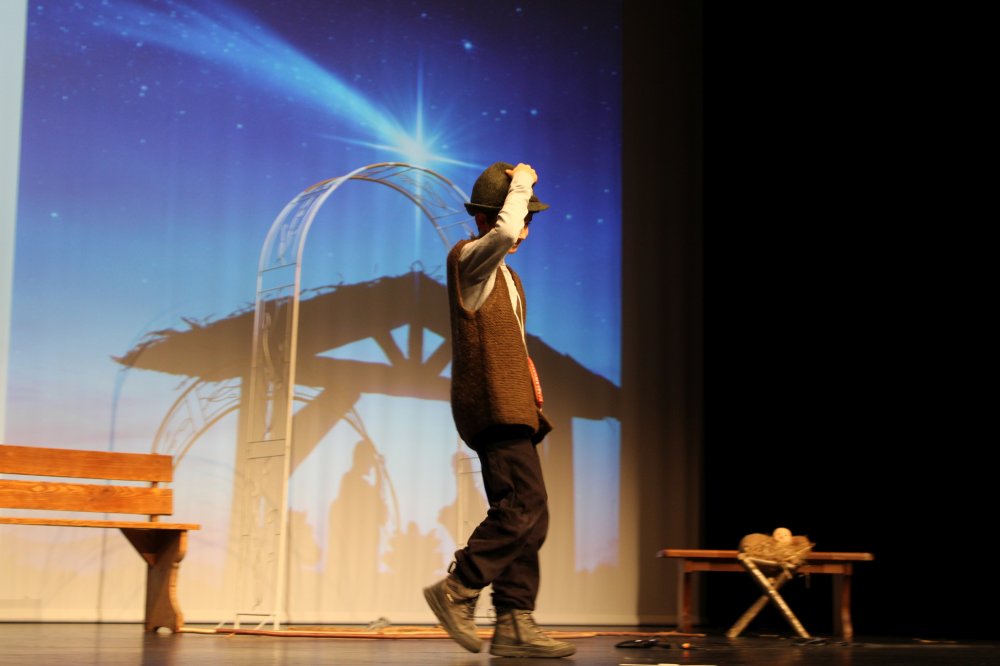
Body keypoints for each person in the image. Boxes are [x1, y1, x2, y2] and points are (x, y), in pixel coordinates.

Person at [422, 161, 574, 658]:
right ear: (487, 218)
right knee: (522, 504)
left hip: (514, 405)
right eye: (521, 218)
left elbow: (506, 340)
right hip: (492, 406)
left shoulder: (509, 277)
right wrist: (524, 179)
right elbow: (506, 231)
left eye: (529, 221)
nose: (524, 232)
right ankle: (458, 587)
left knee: (532, 513)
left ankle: (514, 620)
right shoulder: (469, 258)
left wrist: (527, 378)